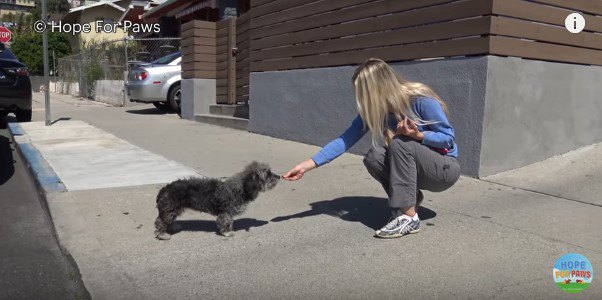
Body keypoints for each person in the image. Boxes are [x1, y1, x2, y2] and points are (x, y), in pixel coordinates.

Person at [283, 58, 461, 239]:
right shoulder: (377, 111)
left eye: (364, 92)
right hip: (418, 168)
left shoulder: (419, 101)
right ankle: (409, 201)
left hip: (444, 170)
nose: (361, 98)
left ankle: (409, 218)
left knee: (400, 142)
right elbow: (344, 140)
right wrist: (307, 165)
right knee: (374, 156)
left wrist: (418, 136)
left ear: (378, 89)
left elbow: (448, 139)